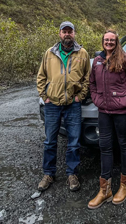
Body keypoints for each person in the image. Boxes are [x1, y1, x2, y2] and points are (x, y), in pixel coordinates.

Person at [88, 30, 126, 209]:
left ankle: (125, 184)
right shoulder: (97, 61)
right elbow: (92, 83)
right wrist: (96, 99)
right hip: (104, 111)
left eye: (112, 40)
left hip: (123, 112)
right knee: (105, 147)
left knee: (125, 145)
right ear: (102, 42)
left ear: (117, 42)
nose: (109, 42)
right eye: (106, 40)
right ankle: (105, 189)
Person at [36, 21, 90, 192]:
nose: (67, 34)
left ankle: (72, 174)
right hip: (53, 104)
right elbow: (41, 77)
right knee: (50, 141)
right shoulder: (49, 53)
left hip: (72, 105)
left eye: (70, 31)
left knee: (74, 142)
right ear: (59, 34)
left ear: (74, 34)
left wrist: (80, 96)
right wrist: (45, 96)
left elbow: (87, 79)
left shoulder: (82, 53)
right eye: (64, 31)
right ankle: (48, 174)